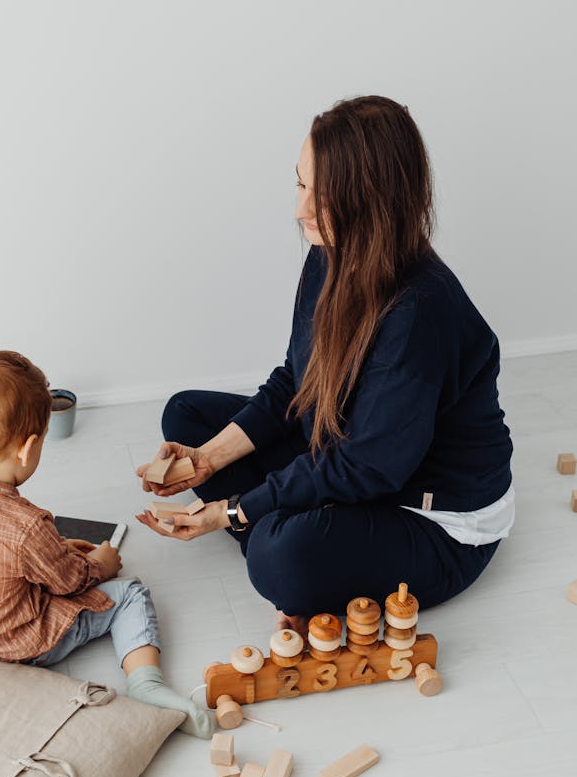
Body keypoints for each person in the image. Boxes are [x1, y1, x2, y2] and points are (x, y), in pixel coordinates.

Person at [137, 96, 514, 632]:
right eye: (300, 184)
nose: (301, 209)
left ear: (373, 200)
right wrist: (208, 461)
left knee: (275, 555)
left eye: (323, 194)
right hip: (354, 458)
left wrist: (235, 511)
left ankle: (296, 542)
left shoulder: (418, 312)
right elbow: (297, 380)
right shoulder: (330, 252)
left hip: (435, 519)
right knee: (187, 417)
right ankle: (300, 530)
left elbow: (366, 465)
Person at [0, 349, 211, 737]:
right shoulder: (26, 527)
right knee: (131, 595)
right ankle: (147, 686)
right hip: (11, 646)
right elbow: (70, 582)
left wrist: (55, 547)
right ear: (26, 447)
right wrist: (102, 564)